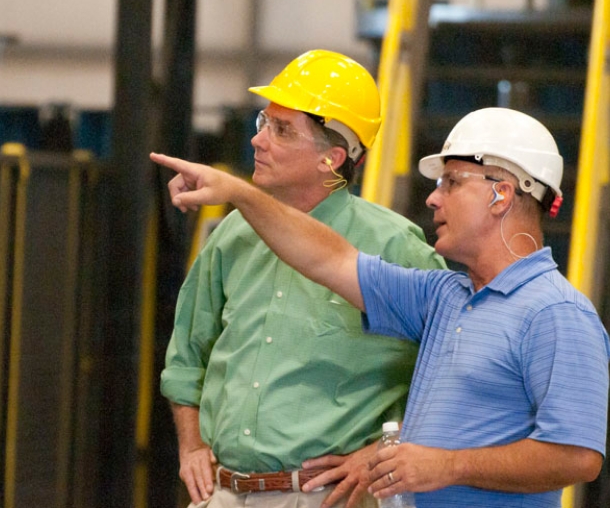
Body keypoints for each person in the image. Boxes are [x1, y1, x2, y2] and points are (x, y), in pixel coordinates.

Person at [151, 106, 610, 508]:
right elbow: (330, 259)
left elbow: (578, 457)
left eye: (451, 182)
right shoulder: (443, 298)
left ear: (501, 194)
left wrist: (446, 466)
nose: (432, 197)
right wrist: (240, 193)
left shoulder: (555, 313)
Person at [156, 49, 446, 508]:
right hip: (222, 494)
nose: (259, 141)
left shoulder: (395, 248)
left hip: (324, 498)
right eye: (263, 123)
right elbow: (188, 356)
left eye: (282, 130)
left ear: (331, 159)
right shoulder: (232, 234)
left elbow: (455, 376)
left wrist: (382, 451)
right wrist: (191, 445)